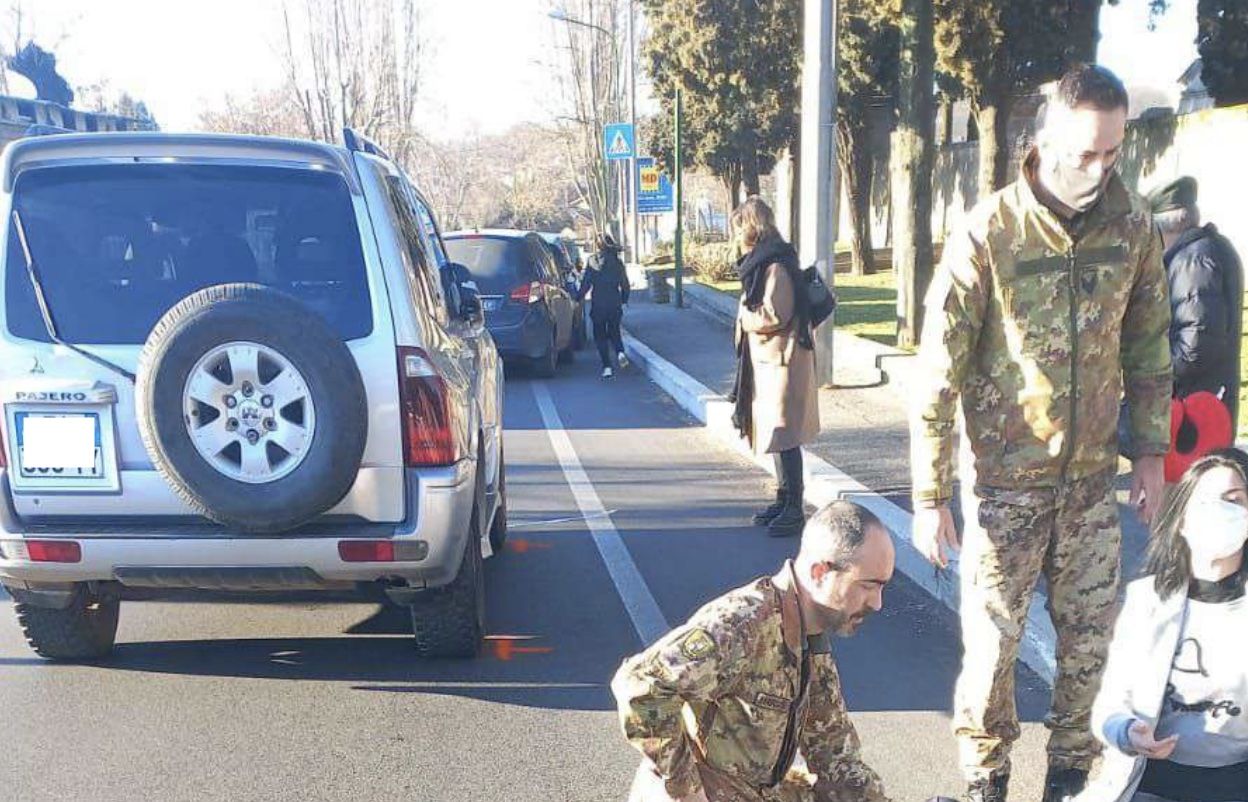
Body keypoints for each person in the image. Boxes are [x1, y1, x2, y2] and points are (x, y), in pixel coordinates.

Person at [908, 64, 1173, 802]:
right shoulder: (989, 231)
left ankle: (1067, 782)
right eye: (1085, 152)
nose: (1099, 168)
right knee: (992, 652)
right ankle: (985, 783)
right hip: (1003, 488)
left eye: (1113, 152)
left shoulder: (1133, 229)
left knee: (1090, 648)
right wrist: (929, 494)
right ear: (1045, 138)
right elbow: (938, 370)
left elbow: (1150, 349)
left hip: (1091, 485)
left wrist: (1150, 456)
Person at [611, 500, 895, 802]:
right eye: (868, 585)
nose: (877, 603)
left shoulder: (811, 639)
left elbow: (834, 753)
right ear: (820, 572)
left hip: (755, 790)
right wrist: (687, 790)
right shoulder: (743, 623)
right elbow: (641, 684)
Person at [1082, 449, 1248, 802]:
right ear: (1183, 520)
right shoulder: (1147, 601)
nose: (1220, 511)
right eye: (1204, 501)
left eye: (1234, 501)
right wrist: (1128, 732)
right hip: (1152, 783)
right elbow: (1109, 707)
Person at [731, 197, 820, 539]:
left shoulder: (776, 266)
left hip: (784, 362)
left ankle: (794, 507)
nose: (737, 234)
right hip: (772, 362)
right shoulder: (764, 263)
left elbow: (775, 313)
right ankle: (783, 499)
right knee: (778, 436)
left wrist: (744, 315)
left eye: (740, 226)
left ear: (752, 226)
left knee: (786, 436)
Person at [1148, 176, 1244, 429]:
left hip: (1194, 411)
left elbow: (1194, 346)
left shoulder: (1192, 260)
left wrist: (1149, 374)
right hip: (1210, 403)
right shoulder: (1213, 247)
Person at [579, 232, 631, 379]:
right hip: (614, 303)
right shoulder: (617, 262)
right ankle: (620, 352)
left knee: (600, 336)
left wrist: (577, 298)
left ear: (597, 245)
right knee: (615, 332)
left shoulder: (592, 261)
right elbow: (625, 285)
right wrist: (624, 299)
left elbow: (586, 284)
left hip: (598, 305)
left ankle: (607, 367)